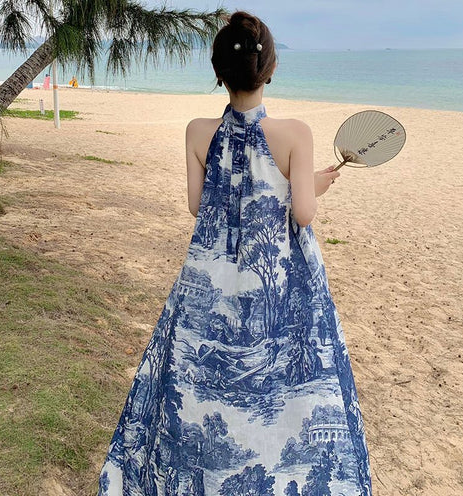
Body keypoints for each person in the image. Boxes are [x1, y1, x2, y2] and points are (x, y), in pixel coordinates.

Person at [97, 10, 372, 496]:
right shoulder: (296, 133)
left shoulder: (197, 130)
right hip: (281, 276)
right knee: (293, 388)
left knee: (193, 381)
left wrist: (288, 187)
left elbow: (198, 205)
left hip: (212, 272)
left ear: (218, 71)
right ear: (271, 69)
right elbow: (303, 213)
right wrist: (313, 184)